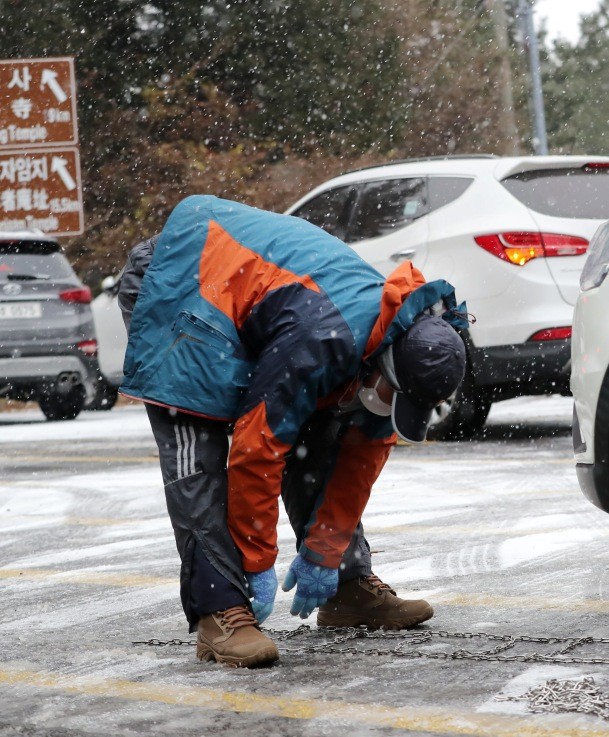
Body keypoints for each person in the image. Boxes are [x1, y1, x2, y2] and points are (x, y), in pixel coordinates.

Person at [117, 195, 468, 668]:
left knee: (319, 439)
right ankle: (220, 610)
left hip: (258, 299)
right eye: (392, 396)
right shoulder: (324, 337)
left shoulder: (399, 338)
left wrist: (327, 551)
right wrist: (256, 564)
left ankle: (346, 589)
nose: (389, 409)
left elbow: (361, 457)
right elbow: (256, 450)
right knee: (196, 443)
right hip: (183, 277)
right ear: (384, 365)